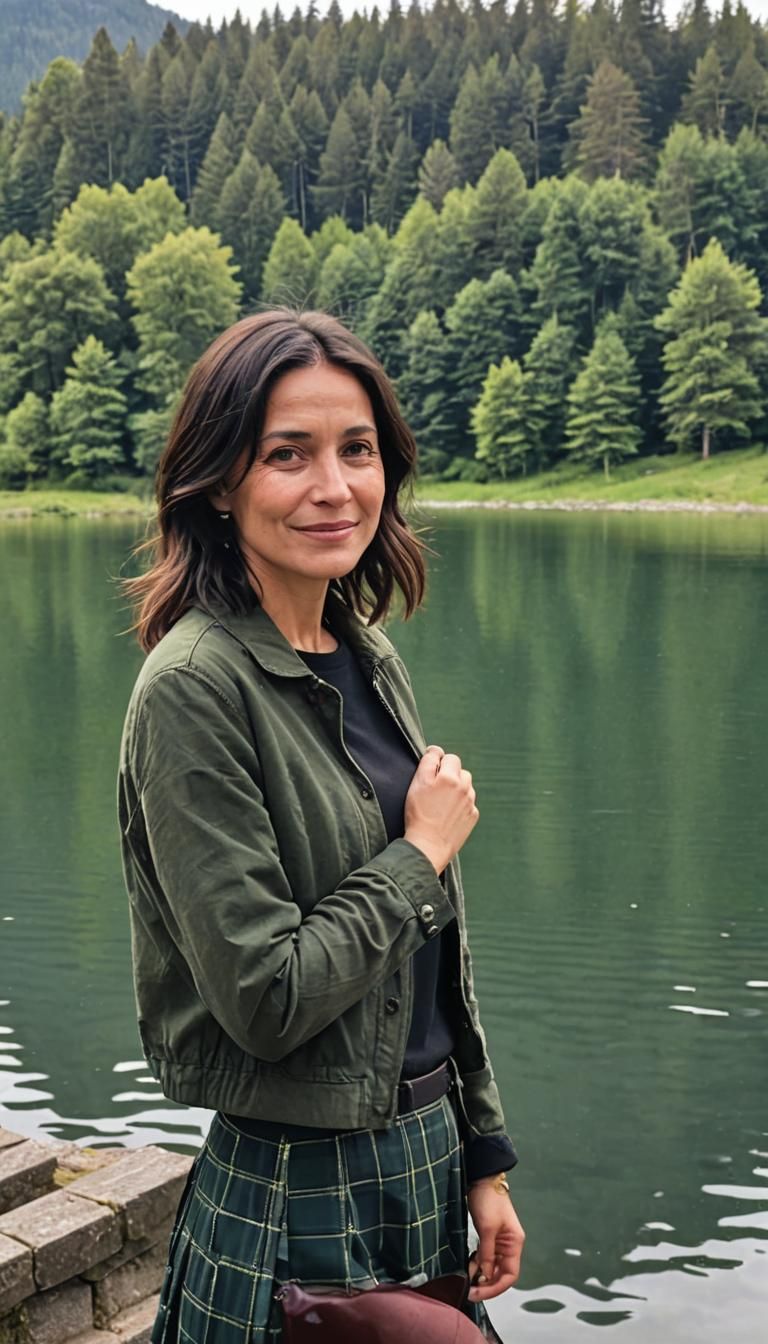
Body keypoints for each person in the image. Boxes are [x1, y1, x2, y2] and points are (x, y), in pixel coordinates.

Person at [117, 309, 524, 1342]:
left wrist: (483, 1154)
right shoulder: (192, 690)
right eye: (286, 455)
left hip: (423, 1159)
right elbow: (266, 996)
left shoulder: (366, 650)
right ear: (218, 480)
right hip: (296, 1182)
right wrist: (421, 851)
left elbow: (434, 955)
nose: (334, 487)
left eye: (358, 450)